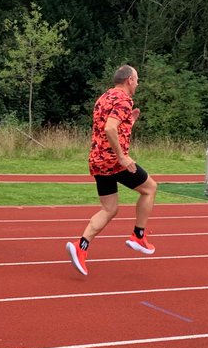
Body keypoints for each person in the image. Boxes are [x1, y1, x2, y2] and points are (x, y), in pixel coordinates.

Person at [66, 64, 159, 275]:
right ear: (129, 81)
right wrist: (122, 157)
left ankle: (81, 246)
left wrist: (130, 121)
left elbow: (109, 126)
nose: (137, 83)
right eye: (136, 80)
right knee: (150, 189)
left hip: (97, 160)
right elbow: (109, 128)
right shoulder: (124, 100)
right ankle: (138, 235)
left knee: (109, 209)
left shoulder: (104, 98)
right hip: (113, 161)